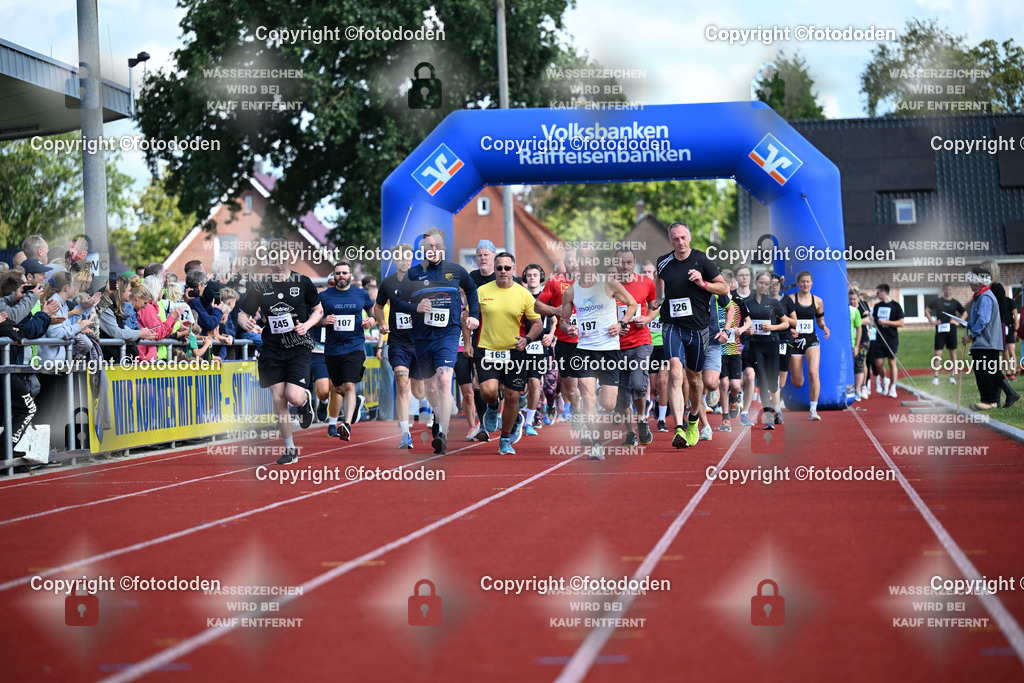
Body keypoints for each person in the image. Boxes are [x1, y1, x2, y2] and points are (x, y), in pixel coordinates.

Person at [393, 227, 479, 455]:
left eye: (436, 246)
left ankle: (443, 432)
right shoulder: (412, 275)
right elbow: (398, 302)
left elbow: (472, 290)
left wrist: (474, 315)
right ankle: (439, 414)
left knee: (443, 380)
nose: (432, 250)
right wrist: (415, 307)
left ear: (443, 247)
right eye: (427, 247)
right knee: (429, 387)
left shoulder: (456, 271)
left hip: (448, 333)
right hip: (422, 336)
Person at [237, 253, 322, 465]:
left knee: (292, 395)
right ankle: (290, 448)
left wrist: (307, 325)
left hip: (298, 346)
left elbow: (318, 310)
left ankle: (304, 401)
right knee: (278, 398)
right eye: (273, 261)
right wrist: (243, 322)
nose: (278, 265)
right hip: (272, 349)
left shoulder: (303, 282)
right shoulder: (260, 285)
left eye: (282, 260)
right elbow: (242, 313)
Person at [656, 223, 729, 448]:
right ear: (671, 241)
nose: (680, 242)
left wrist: (703, 283)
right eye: (676, 239)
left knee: (695, 381)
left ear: (689, 237)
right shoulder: (663, 262)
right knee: (675, 371)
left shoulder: (702, 260)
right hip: (672, 325)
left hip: (698, 328)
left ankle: (694, 419)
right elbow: (659, 288)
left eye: (683, 237)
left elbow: (724, 289)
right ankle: (678, 428)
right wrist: (658, 300)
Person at [560, 246, 636, 460]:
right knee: (587, 395)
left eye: (589, 259)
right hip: (585, 351)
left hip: (609, 350)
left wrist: (621, 324)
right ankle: (596, 444)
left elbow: (632, 303)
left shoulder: (609, 283)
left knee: (608, 403)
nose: (585, 264)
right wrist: (569, 328)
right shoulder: (571, 291)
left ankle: (604, 397)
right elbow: (563, 322)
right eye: (581, 260)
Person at [476, 253, 542, 454]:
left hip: (514, 352)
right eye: (499, 268)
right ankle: (493, 407)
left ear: (514, 269)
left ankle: (505, 439)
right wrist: (468, 339)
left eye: (507, 268)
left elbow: (537, 323)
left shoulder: (523, 294)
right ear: (494, 270)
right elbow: (467, 316)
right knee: (487, 391)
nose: (503, 271)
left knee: (514, 396)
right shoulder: (481, 291)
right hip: (487, 349)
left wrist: (527, 339)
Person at [376, 244, 430, 449]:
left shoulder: (420, 281)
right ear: (395, 259)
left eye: (408, 257)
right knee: (401, 383)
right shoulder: (388, 283)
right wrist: (381, 322)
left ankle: (424, 403)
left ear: (411, 259)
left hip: (418, 341)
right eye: (400, 258)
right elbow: (378, 307)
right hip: (398, 342)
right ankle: (405, 433)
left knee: (418, 390)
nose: (404, 261)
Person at [320, 261, 375, 441]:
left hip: (355, 346)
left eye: (344, 273)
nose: (341, 276)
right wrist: (323, 321)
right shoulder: (325, 296)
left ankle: (347, 424)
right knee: (337, 388)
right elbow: (315, 316)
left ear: (350, 275)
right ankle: (357, 402)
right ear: (334, 276)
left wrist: (371, 321)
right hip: (333, 348)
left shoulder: (361, 294)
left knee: (350, 385)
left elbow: (372, 311)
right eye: (338, 273)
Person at [611, 248, 658, 447]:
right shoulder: (608, 286)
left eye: (629, 262)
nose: (625, 266)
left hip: (641, 342)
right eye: (621, 262)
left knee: (638, 384)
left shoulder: (647, 283)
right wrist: (614, 326)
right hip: (616, 346)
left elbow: (654, 308)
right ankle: (630, 433)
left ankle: (642, 419)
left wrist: (646, 319)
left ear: (634, 262)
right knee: (621, 395)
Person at [963, 267, 1020, 410]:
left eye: (972, 282)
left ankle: (994, 400)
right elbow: (979, 319)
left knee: (987, 370)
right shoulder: (980, 296)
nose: (970, 285)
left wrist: (971, 336)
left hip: (986, 342)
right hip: (985, 341)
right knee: (984, 371)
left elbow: (983, 320)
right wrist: (968, 324)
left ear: (979, 282)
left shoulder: (986, 297)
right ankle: (990, 400)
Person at [535, 249, 580, 424]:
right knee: (570, 389)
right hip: (564, 341)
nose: (573, 264)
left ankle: (584, 415)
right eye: (570, 261)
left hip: (588, 342)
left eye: (577, 261)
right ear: (565, 263)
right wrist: (554, 310)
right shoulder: (555, 282)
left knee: (586, 384)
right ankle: (577, 408)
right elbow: (537, 306)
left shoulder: (592, 282)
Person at [745, 271, 790, 429]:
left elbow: (786, 324)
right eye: (760, 283)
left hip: (772, 344)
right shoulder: (748, 303)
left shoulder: (773, 303)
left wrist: (772, 327)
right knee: (762, 381)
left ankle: (777, 411)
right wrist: (746, 330)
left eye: (766, 283)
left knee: (772, 382)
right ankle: (769, 417)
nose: (763, 286)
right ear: (755, 283)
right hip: (756, 346)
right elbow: (742, 324)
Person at [784, 271, 830, 420]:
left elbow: (820, 320)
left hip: (811, 340)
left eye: (808, 282)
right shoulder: (791, 300)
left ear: (812, 283)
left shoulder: (817, 301)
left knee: (813, 373)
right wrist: (790, 329)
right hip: (795, 342)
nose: (805, 284)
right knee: (797, 382)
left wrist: (824, 327)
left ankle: (813, 410)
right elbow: (784, 321)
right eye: (802, 281)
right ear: (798, 283)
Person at [521, 263, 552, 436]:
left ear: (541, 277)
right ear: (525, 276)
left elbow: (554, 319)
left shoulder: (546, 297)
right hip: (521, 344)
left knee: (535, 383)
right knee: (520, 389)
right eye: (529, 275)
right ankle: (519, 408)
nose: (532, 278)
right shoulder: (521, 295)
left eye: (535, 275)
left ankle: (529, 422)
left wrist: (551, 336)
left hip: (540, 346)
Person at [719, 270, 750, 431]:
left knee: (735, 385)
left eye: (724, 285)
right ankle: (725, 419)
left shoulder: (738, 301)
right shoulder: (714, 301)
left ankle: (734, 399)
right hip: (719, 349)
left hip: (734, 349)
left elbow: (748, 322)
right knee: (723, 384)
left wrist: (742, 329)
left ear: (730, 286)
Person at [925, 284, 965, 386]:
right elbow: (927, 310)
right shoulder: (938, 301)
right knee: (937, 354)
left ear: (952, 290)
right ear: (943, 290)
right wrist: (932, 321)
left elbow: (964, 313)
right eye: (946, 289)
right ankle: (935, 377)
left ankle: (952, 377)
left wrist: (958, 322)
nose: (948, 291)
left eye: (949, 289)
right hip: (940, 330)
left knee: (953, 354)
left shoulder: (955, 303)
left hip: (951, 331)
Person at [871, 283, 904, 398]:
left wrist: (886, 322)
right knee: (878, 364)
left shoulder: (896, 306)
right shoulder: (877, 306)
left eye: (878, 292)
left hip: (891, 338)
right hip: (879, 339)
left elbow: (901, 322)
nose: (877, 294)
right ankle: (885, 379)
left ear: (884, 292)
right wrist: (871, 319)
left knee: (892, 362)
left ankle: (893, 388)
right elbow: (874, 320)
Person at [849, 289, 866, 401]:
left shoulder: (856, 312)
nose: (852, 301)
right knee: (847, 369)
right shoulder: (843, 309)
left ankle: (858, 390)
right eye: (850, 299)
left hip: (855, 344)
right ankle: (849, 392)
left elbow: (859, 329)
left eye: (854, 299)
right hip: (844, 346)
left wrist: (856, 346)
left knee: (859, 367)